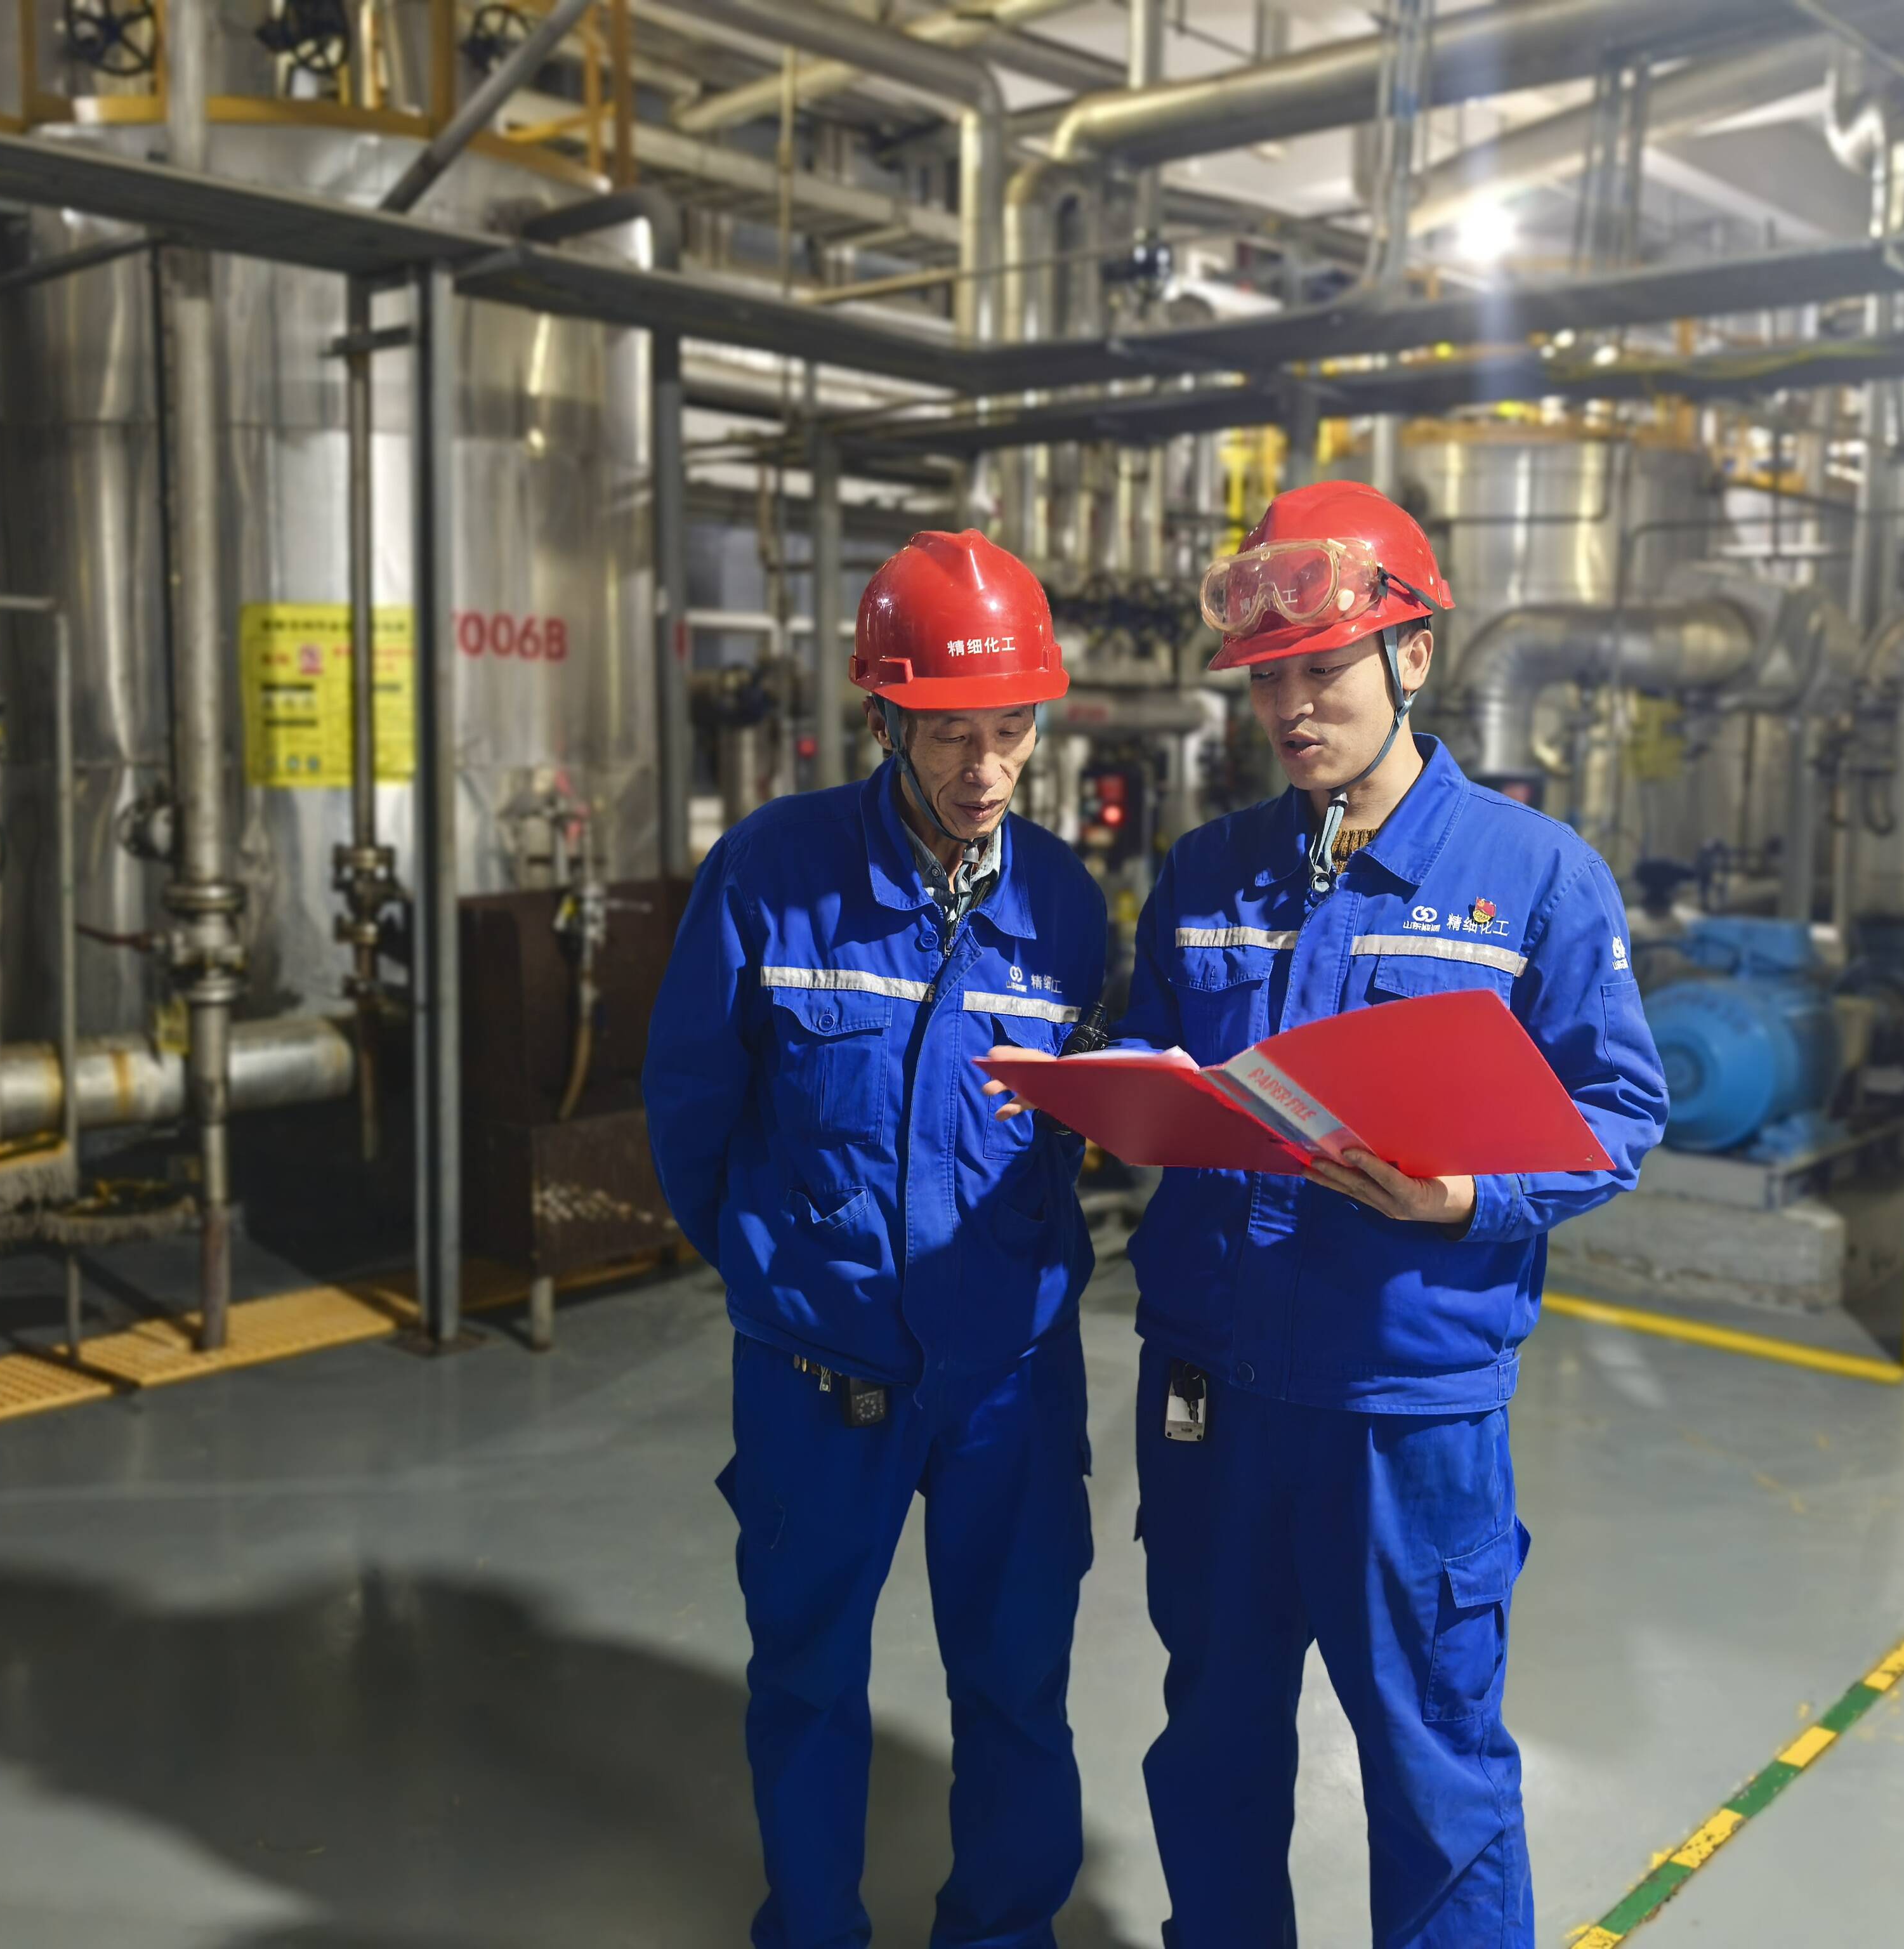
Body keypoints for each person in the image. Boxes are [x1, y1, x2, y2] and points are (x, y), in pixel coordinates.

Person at [1001, 481, 1667, 1946]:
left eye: (1322, 671)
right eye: (1268, 681)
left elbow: (1618, 1114)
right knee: (1213, 1737)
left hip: (1400, 1404)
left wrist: (1468, 1196)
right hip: (1209, 1391)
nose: (1292, 710)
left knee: (1433, 1765)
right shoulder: (1207, 871)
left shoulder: (1531, 878)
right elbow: (1164, 1056)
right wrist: (1110, 1096)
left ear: (1410, 655)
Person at [645, 529, 1109, 1949]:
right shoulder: (769, 875)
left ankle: (1003, 1933)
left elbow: (1077, 1124)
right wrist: (786, 1274)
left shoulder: (1066, 906)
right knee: (804, 1679)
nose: (987, 769)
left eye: (1013, 730)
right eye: (953, 732)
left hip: (1009, 1381)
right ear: (885, 718)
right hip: (818, 1374)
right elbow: (690, 1111)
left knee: (1018, 1686)